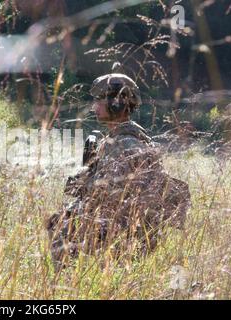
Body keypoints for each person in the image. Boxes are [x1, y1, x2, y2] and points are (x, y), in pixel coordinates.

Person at [46, 71, 191, 270]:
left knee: (58, 224)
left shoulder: (124, 145)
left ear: (117, 103)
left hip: (126, 234)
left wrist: (81, 185)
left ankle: (65, 284)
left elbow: (108, 197)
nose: (94, 106)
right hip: (137, 231)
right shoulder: (131, 138)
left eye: (99, 100)